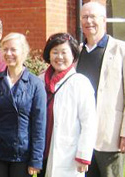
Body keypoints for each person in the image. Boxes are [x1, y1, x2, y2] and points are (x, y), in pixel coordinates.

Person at [0, 32, 46, 177]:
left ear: (24, 52)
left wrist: (36, 159)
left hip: (21, 154)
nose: (8, 53)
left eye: (13, 49)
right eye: (5, 49)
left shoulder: (35, 84)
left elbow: (39, 125)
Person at [76, 2, 125, 177]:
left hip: (109, 136)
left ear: (104, 20)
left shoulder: (121, 49)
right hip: (82, 137)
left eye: (92, 17)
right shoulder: (78, 52)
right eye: (84, 17)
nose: (88, 21)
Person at [37, 33, 97, 177]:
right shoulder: (39, 80)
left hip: (68, 154)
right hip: (42, 151)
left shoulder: (80, 82)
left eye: (64, 52)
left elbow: (89, 122)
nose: (59, 57)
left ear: (73, 55)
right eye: (55, 52)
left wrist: (84, 155)